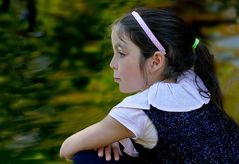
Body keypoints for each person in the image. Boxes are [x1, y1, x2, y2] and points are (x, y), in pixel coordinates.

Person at [60, 8, 239, 163]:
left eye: (121, 53)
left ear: (155, 61)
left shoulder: (139, 109)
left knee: (86, 157)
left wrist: (107, 135)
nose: (112, 63)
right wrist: (112, 134)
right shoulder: (193, 79)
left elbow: (67, 149)